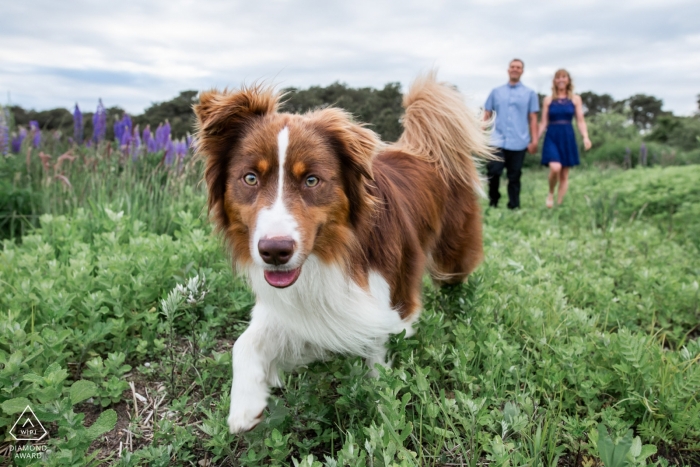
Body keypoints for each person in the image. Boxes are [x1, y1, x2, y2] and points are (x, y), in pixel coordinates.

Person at [483, 59, 540, 209]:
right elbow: (487, 113)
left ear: (522, 71)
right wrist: (480, 134)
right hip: (496, 140)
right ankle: (493, 201)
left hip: (519, 141)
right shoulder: (496, 92)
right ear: (508, 70)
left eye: (518, 67)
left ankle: (514, 206)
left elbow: (533, 118)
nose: (515, 69)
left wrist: (534, 140)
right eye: (512, 66)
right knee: (494, 172)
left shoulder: (530, 94)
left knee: (514, 176)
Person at [538, 69, 592, 208]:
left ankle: (559, 204)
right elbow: (543, 122)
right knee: (555, 168)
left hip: (568, 135)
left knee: (564, 175)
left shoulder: (575, 99)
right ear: (554, 81)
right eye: (558, 77)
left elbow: (580, 120)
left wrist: (585, 137)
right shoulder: (548, 100)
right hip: (552, 134)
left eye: (564, 77)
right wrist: (535, 140)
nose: (561, 80)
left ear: (568, 80)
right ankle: (551, 193)